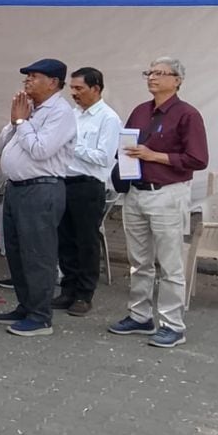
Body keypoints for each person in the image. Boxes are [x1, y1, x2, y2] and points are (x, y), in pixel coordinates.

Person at [108, 57, 208, 349]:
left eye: (160, 73)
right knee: (139, 261)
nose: (152, 77)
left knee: (169, 263)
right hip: (136, 192)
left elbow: (198, 159)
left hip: (167, 192)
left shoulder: (188, 114)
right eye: (149, 72)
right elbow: (125, 146)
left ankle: (172, 325)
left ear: (177, 80)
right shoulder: (140, 111)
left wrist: (156, 156)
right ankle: (140, 315)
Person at [0, 58, 76, 337]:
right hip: (17, 187)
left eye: (34, 77)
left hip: (42, 188)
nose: (27, 82)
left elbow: (41, 150)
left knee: (37, 254)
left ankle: (41, 316)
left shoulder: (60, 112)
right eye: (26, 78)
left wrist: (21, 121)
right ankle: (26, 305)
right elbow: (6, 143)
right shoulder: (33, 110)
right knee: (16, 252)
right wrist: (16, 120)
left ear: (53, 82)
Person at [54, 67, 122, 316]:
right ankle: (67, 290)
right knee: (66, 240)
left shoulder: (108, 118)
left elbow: (103, 157)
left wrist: (73, 147)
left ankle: (84, 294)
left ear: (96, 88)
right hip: (65, 181)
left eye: (79, 88)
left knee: (86, 241)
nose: (74, 93)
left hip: (88, 185)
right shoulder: (72, 114)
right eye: (72, 88)